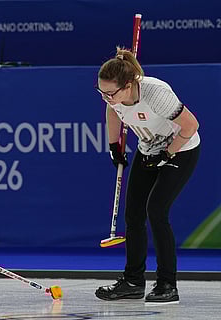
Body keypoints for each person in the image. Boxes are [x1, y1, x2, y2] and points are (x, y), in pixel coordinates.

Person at [94, 47, 200, 304]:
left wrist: (168, 153)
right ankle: (132, 282)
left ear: (128, 85)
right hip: (148, 149)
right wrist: (114, 146)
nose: (106, 98)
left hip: (181, 148)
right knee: (134, 215)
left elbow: (191, 125)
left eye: (111, 93)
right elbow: (114, 111)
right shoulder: (115, 98)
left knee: (157, 210)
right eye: (101, 93)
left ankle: (167, 284)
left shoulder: (156, 93)